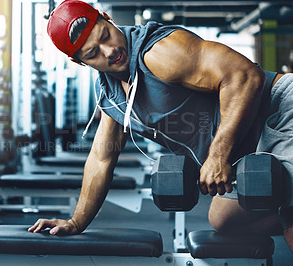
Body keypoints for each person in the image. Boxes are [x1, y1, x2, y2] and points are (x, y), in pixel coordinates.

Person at [29, 0, 293, 251]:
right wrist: (76, 222)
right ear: (80, 62)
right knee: (224, 219)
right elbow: (101, 158)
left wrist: (217, 155)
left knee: (290, 206)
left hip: (279, 113)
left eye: (106, 35)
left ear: (107, 19)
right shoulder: (112, 96)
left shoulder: (158, 52)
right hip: (249, 149)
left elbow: (244, 76)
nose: (110, 51)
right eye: (93, 53)